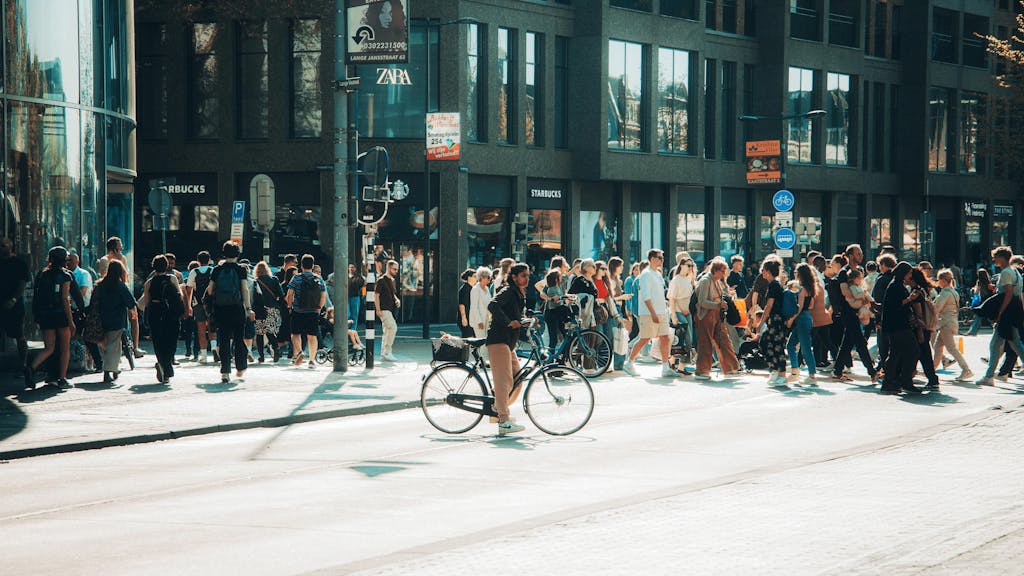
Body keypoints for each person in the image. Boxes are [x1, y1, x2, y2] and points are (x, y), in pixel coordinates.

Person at [485, 263, 531, 436]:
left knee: (517, 380)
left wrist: (526, 320)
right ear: (514, 277)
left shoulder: (519, 293)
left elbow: (516, 315)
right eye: (523, 275)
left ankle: (497, 409)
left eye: (527, 275)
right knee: (504, 382)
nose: (527, 278)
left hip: (508, 342)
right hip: (499, 340)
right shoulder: (508, 291)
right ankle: (503, 420)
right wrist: (507, 321)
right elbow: (492, 305)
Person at [23, 247, 76, 389]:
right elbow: (65, 299)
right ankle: (62, 379)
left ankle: (31, 368)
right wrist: (71, 321)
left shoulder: (42, 274)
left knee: (49, 348)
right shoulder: (66, 276)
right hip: (60, 315)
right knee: (65, 348)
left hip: (46, 314)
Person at [623, 249, 678, 379]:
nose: (662, 260)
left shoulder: (657, 274)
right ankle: (629, 362)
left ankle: (665, 367)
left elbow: (659, 294)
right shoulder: (646, 274)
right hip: (649, 313)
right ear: (652, 259)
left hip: (661, 312)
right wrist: (653, 313)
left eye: (662, 258)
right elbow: (646, 297)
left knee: (665, 337)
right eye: (660, 258)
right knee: (645, 338)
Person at [976, 246, 1024, 386]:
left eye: (995, 257)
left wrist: (1000, 312)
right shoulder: (1015, 271)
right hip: (1013, 312)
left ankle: (989, 377)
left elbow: (1008, 294)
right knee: (1001, 344)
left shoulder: (1006, 273)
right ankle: (989, 376)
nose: (993, 260)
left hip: (1007, 313)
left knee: (1012, 344)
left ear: (1002, 258)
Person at [207, 241, 254, 382]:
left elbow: (210, 290)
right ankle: (240, 367)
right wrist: (248, 308)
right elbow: (245, 289)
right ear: (237, 254)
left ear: (224, 253)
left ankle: (225, 372)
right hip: (237, 308)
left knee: (224, 339)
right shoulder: (241, 270)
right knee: (239, 338)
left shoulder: (217, 270)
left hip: (221, 309)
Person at [832, 245, 878, 383]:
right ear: (850, 255)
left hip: (855, 311)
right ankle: (872, 371)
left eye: (861, 253)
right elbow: (846, 292)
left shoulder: (856, 271)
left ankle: (837, 370)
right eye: (858, 253)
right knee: (859, 341)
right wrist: (863, 297)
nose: (861, 256)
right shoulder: (844, 272)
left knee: (847, 342)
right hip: (848, 312)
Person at [692, 257, 740, 380]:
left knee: (724, 340)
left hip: (716, 316)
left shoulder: (716, 281)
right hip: (705, 316)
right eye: (722, 271)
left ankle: (731, 368)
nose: (724, 274)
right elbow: (702, 302)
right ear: (716, 270)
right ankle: (702, 371)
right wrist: (718, 305)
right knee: (705, 343)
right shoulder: (705, 281)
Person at [880, 262, 923, 395]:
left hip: (896, 324)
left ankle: (891, 382)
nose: (910, 276)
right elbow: (894, 305)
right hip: (898, 325)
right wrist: (910, 298)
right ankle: (904, 380)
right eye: (909, 273)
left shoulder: (897, 285)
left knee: (895, 354)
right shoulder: (895, 286)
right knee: (913, 350)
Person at [140, 254, 183, 384]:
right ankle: (166, 366)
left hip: (155, 313)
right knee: (171, 340)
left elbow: (146, 302)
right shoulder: (172, 278)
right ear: (166, 266)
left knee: (158, 342)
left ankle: (162, 364)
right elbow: (179, 296)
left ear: (154, 267)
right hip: (171, 314)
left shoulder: (149, 282)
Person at [93, 259, 137, 384]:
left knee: (107, 345)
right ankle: (108, 371)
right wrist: (133, 316)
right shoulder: (120, 285)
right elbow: (130, 302)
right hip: (117, 320)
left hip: (102, 319)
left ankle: (113, 368)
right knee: (114, 346)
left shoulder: (100, 285)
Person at [749, 259, 789, 387]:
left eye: (763, 271)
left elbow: (769, 305)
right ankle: (776, 370)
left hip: (776, 319)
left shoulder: (773, 285)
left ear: (767, 271)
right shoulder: (775, 284)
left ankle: (781, 373)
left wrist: (760, 323)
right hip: (777, 320)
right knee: (769, 344)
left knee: (775, 346)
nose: (762, 273)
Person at [932, 268, 973, 382]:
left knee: (951, 348)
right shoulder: (953, 292)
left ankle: (966, 369)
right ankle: (931, 370)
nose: (937, 282)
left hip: (945, 323)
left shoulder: (944, 293)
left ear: (943, 280)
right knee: (938, 347)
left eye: (938, 279)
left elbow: (937, 309)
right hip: (950, 322)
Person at [285, 254, 326, 368]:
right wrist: (319, 308)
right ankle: (312, 360)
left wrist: (289, 306)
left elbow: (289, 294)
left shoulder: (296, 278)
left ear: (301, 265)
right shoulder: (318, 278)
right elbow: (323, 295)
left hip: (298, 310)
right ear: (312, 266)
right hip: (313, 311)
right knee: (312, 336)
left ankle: (299, 352)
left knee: (295, 334)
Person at [0, 238, 30, 372]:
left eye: (3, 245)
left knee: (19, 335)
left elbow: (22, 284)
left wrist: (13, 299)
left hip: (14, 305)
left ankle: (23, 364)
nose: (1, 248)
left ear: (10, 247)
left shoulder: (19, 263)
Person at [786, 263, 818, 386]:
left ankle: (811, 375)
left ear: (800, 274)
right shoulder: (810, 288)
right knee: (792, 345)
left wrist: (791, 319)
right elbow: (811, 305)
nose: (794, 274)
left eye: (796, 272)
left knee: (804, 348)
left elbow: (798, 308)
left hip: (801, 319)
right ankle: (796, 372)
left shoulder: (802, 289)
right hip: (806, 318)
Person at [184, 251, 214, 363]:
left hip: (198, 304)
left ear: (198, 260)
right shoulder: (213, 271)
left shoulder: (194, 272)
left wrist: (188, 306)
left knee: (201, 330)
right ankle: (214, 348)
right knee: (212, 327)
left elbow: (189, 290)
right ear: (209, 260)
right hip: (211, 304)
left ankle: (204, 355)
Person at [871, 254, 897, 373]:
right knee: (891, 344)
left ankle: (883, 366)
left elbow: (876, 299)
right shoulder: (895, 278)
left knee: (882, 344)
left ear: (883, 265)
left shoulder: (881, 279)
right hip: (894, 315)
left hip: (882, 315)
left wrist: (876, 319)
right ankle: (887, 366)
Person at [253, 261, 284, 363]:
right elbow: (280, 294)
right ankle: (276, 349)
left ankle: (261, 356)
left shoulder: (256, 281)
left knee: (260, 333)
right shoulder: (274, 280)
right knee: (270, 331)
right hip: (272, 308)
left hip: (259, 309)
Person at [374, 259, 400, 361]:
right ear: (388, 268)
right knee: (393, 328)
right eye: (394, 269)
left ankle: (384, 352)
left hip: (390, 308)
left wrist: (397, 300)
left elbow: (393, 293)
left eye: (397, 270)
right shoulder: (381, 280)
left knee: (387, 331)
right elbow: (376, 295)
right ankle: (387, 351)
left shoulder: (392, 281)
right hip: (384, 309)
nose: (396, 271)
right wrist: (378, 309)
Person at [967, 268, 994, 336]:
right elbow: (993, 290)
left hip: (982, 302)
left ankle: (973, 331)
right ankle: (996, 329)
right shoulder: (988, 282)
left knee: (978, 316)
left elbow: (977, 292)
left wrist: (973, 291)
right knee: (991, 317)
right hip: (988, 301)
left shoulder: (979, 282)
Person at [181, 261, 199, 360]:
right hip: (197, 306)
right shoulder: (201, 280)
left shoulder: (186, 280)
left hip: (188, 307)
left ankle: (188, 350)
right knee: (197, 331)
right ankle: (196, 351)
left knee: (188, 331)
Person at [469, 267, 493, 340]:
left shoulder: (487, 289)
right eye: (488, 277)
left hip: (486, 320)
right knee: (482, 342)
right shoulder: (475, 289)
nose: (490, 279)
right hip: (478, 321)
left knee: (486, 341)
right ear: (482, 277)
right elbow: (474, 307)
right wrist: (479, 321)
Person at [457, 268, 477, 338]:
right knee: (468, 338)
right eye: (474, 276)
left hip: (471, 317)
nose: (476, 278)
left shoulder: (472, 288)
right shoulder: (465, 289)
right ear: (469, 277)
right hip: (466, 317)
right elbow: (462, 304)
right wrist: (463, 318)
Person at [348, 263, 365, 328]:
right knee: (348, 314)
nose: (351, 269)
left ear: (355, 268)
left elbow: (361, 283)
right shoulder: (345, 276)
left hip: (355, 297)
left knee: (354, 314)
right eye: (350, 267)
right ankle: (348, 328)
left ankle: (353, 329)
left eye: (352, 267)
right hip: (346, 297)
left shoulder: (358, 277)